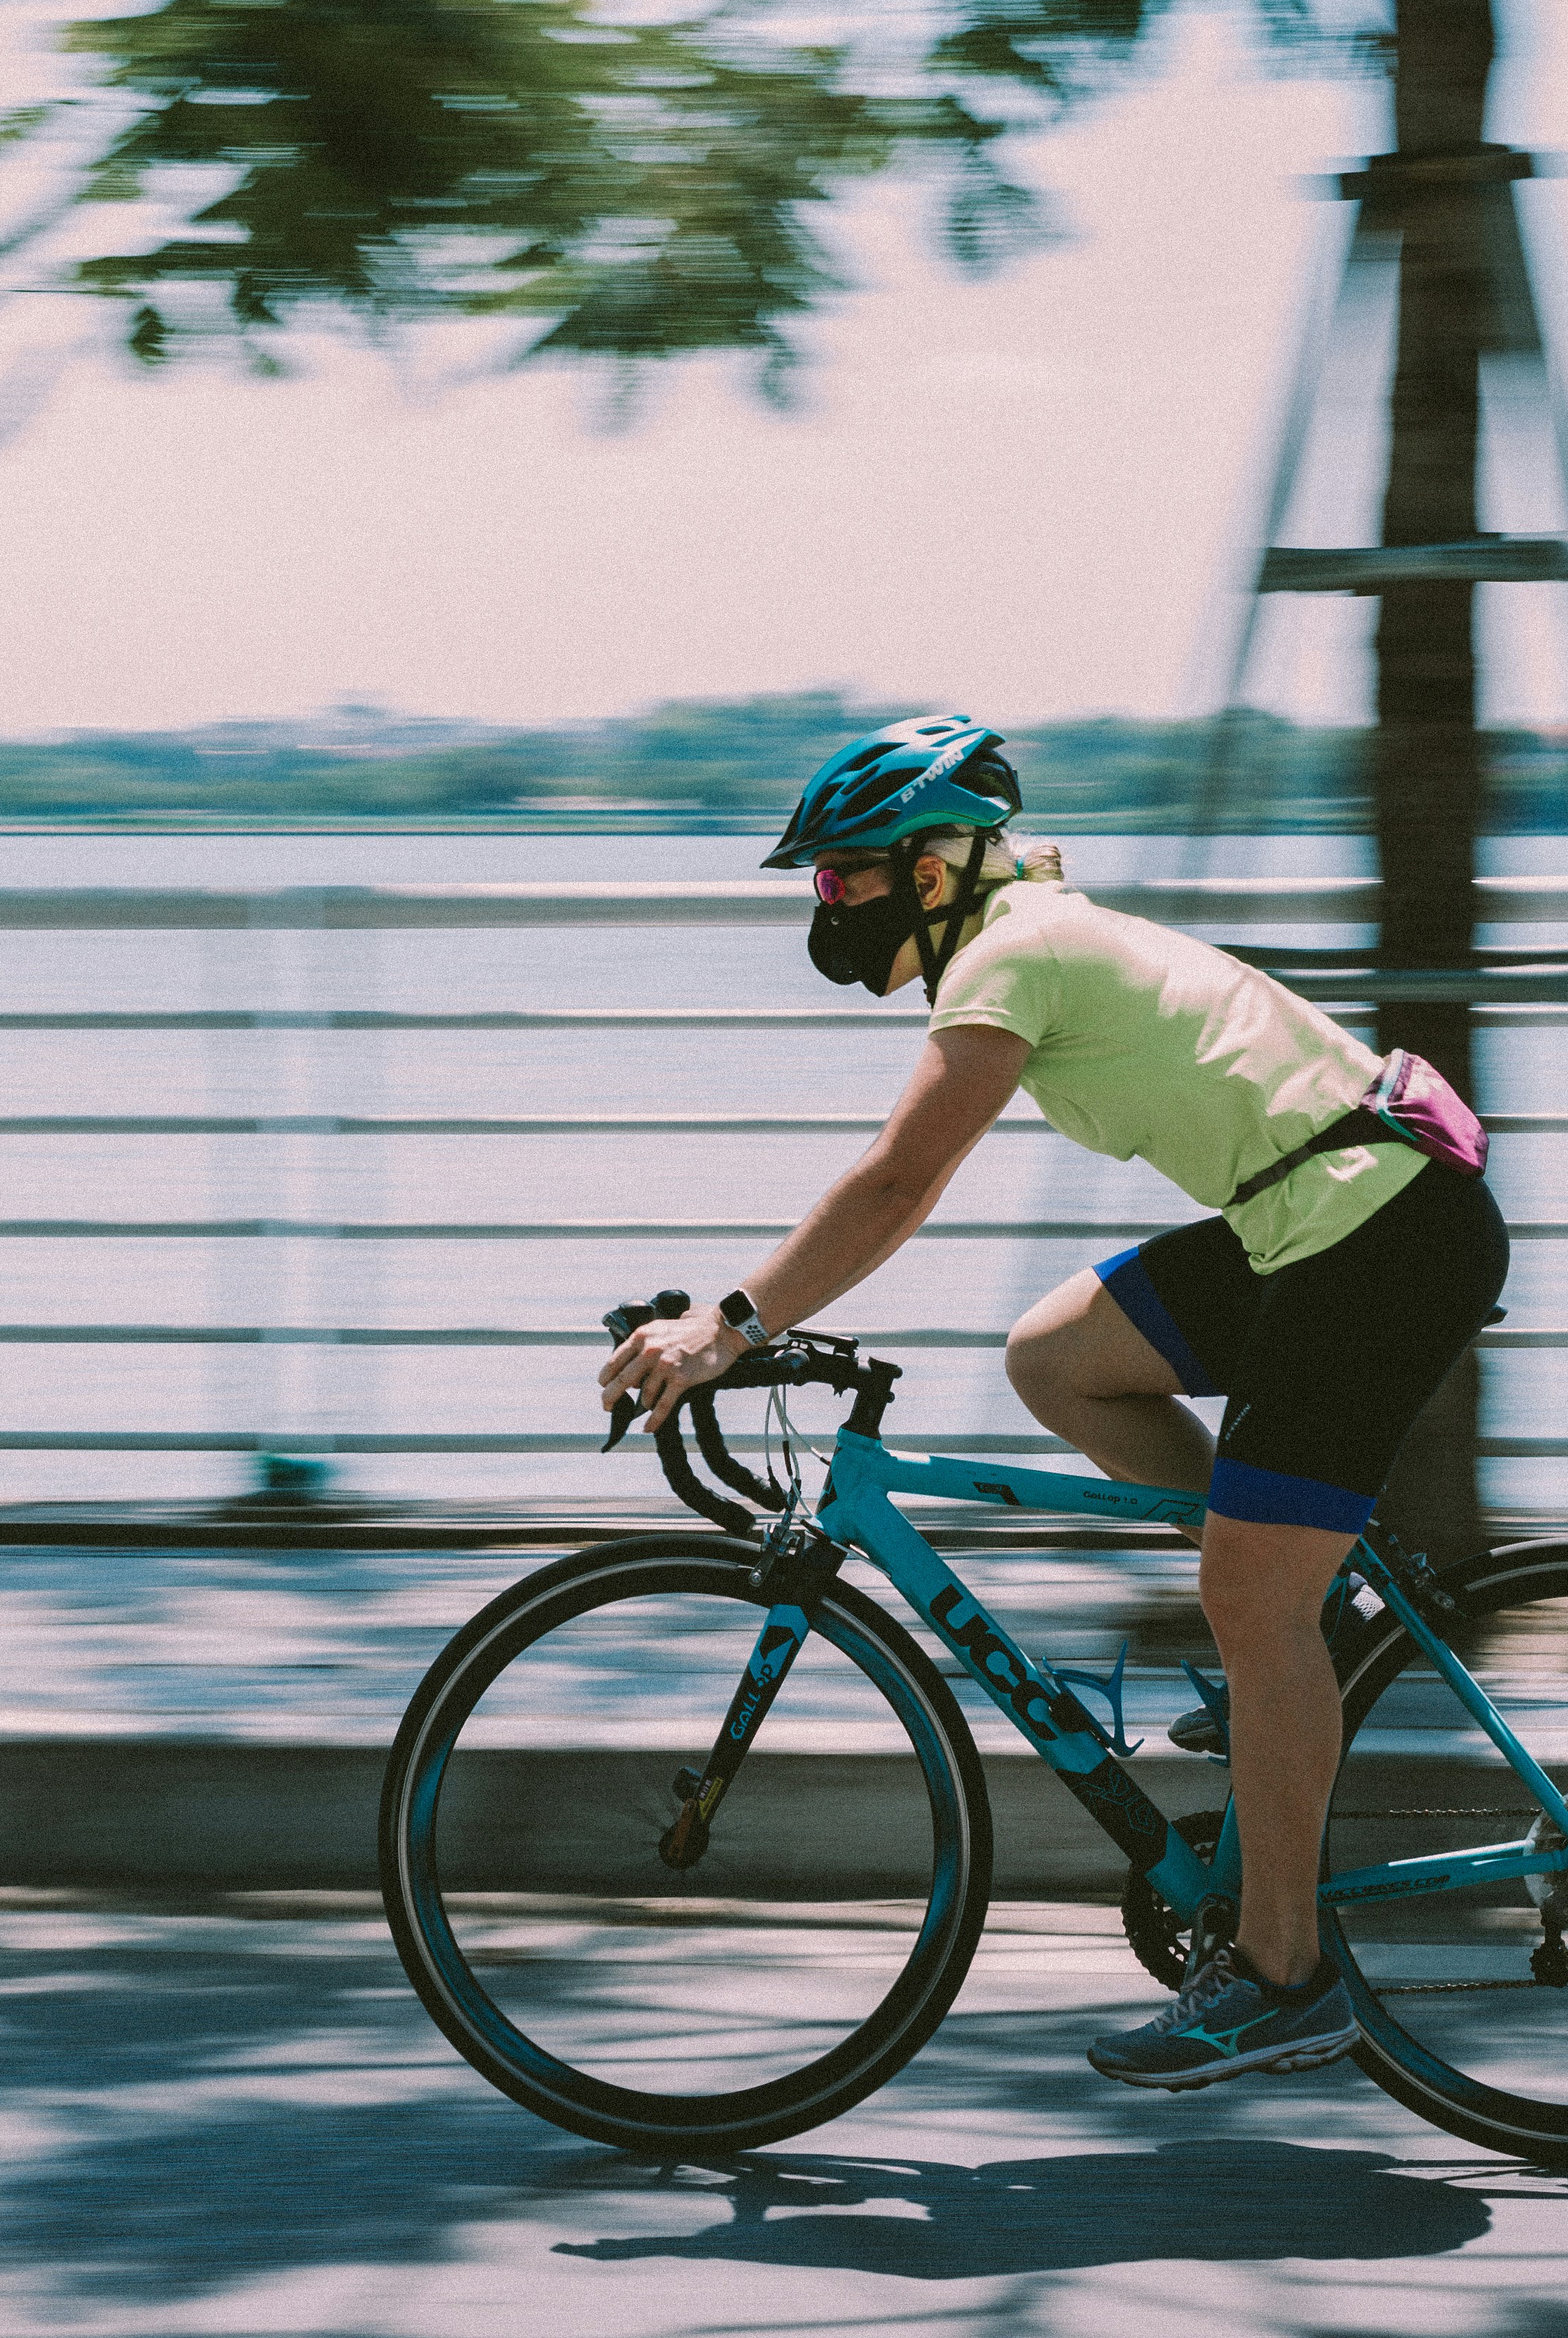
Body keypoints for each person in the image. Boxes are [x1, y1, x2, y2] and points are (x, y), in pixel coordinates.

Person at [599, 712, 1511, 2092]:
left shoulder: (1013, 952)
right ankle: (1309, 1619)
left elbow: (900, 1183)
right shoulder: (1022, 932)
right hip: (1318, 1211)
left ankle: (1284, 1979)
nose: (827, 906)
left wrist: (729, 1326)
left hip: (1372, 1234)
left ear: (930, 867)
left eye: (843, 876)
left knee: (1243, 1602)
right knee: (1059, 1358)